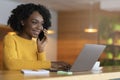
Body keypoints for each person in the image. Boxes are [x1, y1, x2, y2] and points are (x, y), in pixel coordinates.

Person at [3, 3, 70, 70]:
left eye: (42, 24)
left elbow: (41, 68)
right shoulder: (10, 39)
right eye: (34, 22)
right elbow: (11, 64)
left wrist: (41, 50)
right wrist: (51, 64)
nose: (40, 27)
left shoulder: (35, 44)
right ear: (22, 22)